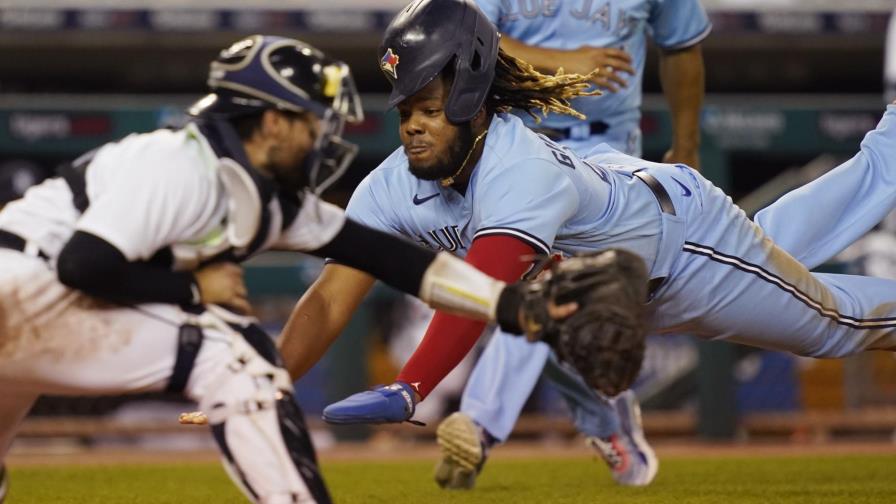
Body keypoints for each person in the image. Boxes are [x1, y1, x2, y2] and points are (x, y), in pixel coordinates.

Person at [280, 0, 896, 490]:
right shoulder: (391, 184)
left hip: (685, 252)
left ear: (472, 104)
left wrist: (411, 385)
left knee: (831, 324)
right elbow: (331, 298)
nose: (413, 125)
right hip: (624, 249)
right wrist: (267, 382)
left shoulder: (518, 166)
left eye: (430, 108)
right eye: (404, 109)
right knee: (776, 250)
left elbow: (485, 287)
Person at [0, 34, 574, 504]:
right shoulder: (177, 163)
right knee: (238, 356)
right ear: (273, 122)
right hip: (24, 290)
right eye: (311, 121)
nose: (321, 136)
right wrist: (192, 287)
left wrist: (507, 303)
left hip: (29, 306)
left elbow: (389, 258)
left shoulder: (262, 191)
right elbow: (83, 263)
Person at [423, 0, 710, 488]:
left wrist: (687, 147)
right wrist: (561, 62)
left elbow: (682, 47)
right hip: (512, 145)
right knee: (549, 300)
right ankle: (603, 415)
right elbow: (460, 39)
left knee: (549, 292)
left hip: (610, 156)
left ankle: (479, 426)